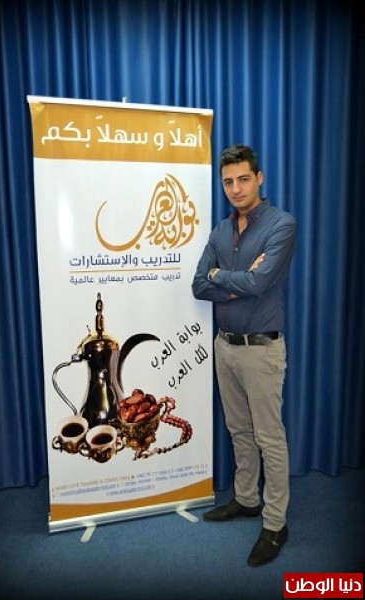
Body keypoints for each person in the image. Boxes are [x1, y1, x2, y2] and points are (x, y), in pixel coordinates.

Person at [192, 144, 297, 567]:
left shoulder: (281, 225)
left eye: (243, 179)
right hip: (225, 347)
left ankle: (275, 524)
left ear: (259, 178)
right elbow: (200, 285)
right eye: (228, 182)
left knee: (269, 438)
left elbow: (260, 282)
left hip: (261, 350)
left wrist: (224, 276)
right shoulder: (220, 230)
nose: (236, 189)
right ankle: (247, 499)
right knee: (238, 430)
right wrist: (234, 280)